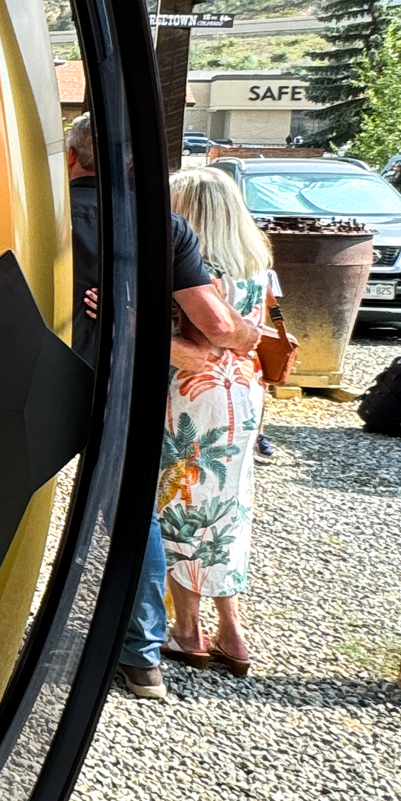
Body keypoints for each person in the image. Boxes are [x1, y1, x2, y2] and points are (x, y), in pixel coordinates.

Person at [64, 112, 257, 701]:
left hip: (39, 376)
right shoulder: (163, 228)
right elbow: (219, 326)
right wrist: (249, 337)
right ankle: (141, 658)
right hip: (122, 388)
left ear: (72, 160)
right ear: (132, 166)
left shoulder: (40, 218)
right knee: (130, 517)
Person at [159, 167, 278, 678]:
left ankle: (188, 632)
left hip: (193, 395)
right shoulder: (255, 261)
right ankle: (232, 631)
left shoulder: (190, 265)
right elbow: (257, 331)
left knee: (181, 503)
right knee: (232, 505)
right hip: (243, 394)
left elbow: (195, 336)